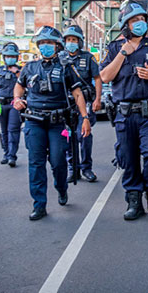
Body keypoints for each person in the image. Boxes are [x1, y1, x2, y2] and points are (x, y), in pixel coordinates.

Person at [100, 0, 148, 221]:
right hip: (124, 115)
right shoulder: (115, 48)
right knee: (129, 158)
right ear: (126, 24)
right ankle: (134, 200)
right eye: (135, 20)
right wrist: (123, 54)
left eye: (143, 19)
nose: (140, 23)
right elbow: (105, 76)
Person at [13, 26, 91, 221]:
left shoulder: (66, 67)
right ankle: (39, 205)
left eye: (49, 43)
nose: (45, 46)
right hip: (34, 121)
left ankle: (61, 188)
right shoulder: (30, 67)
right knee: (36, 164)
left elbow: (77, 93)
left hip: (57, 123)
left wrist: (85, 118)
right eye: (42, 43)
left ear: (58, 46)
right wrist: (17, 99)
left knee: (57, 161)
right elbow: (19, 86)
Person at [62, 24, 102, 183]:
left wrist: (97, 99)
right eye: (68, 39)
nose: (71, 42)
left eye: (74, 39)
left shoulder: (88, 58)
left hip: (85, 103)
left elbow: (98, 78)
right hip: (67, 105)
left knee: (83, 134)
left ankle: (86, 167)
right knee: (68, 136)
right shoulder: (60, 58)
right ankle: (73, 168)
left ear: (80, 42)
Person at [0, 42, 22, 167]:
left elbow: (26, 83)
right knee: (4, 131)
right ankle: (6, 153)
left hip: (14, 104)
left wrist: (17, 72)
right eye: (7, 56)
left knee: (13, 130)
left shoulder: (21, 70)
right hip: (1, 104)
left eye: (12, 56)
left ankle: (12, 156)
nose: (9, 58)